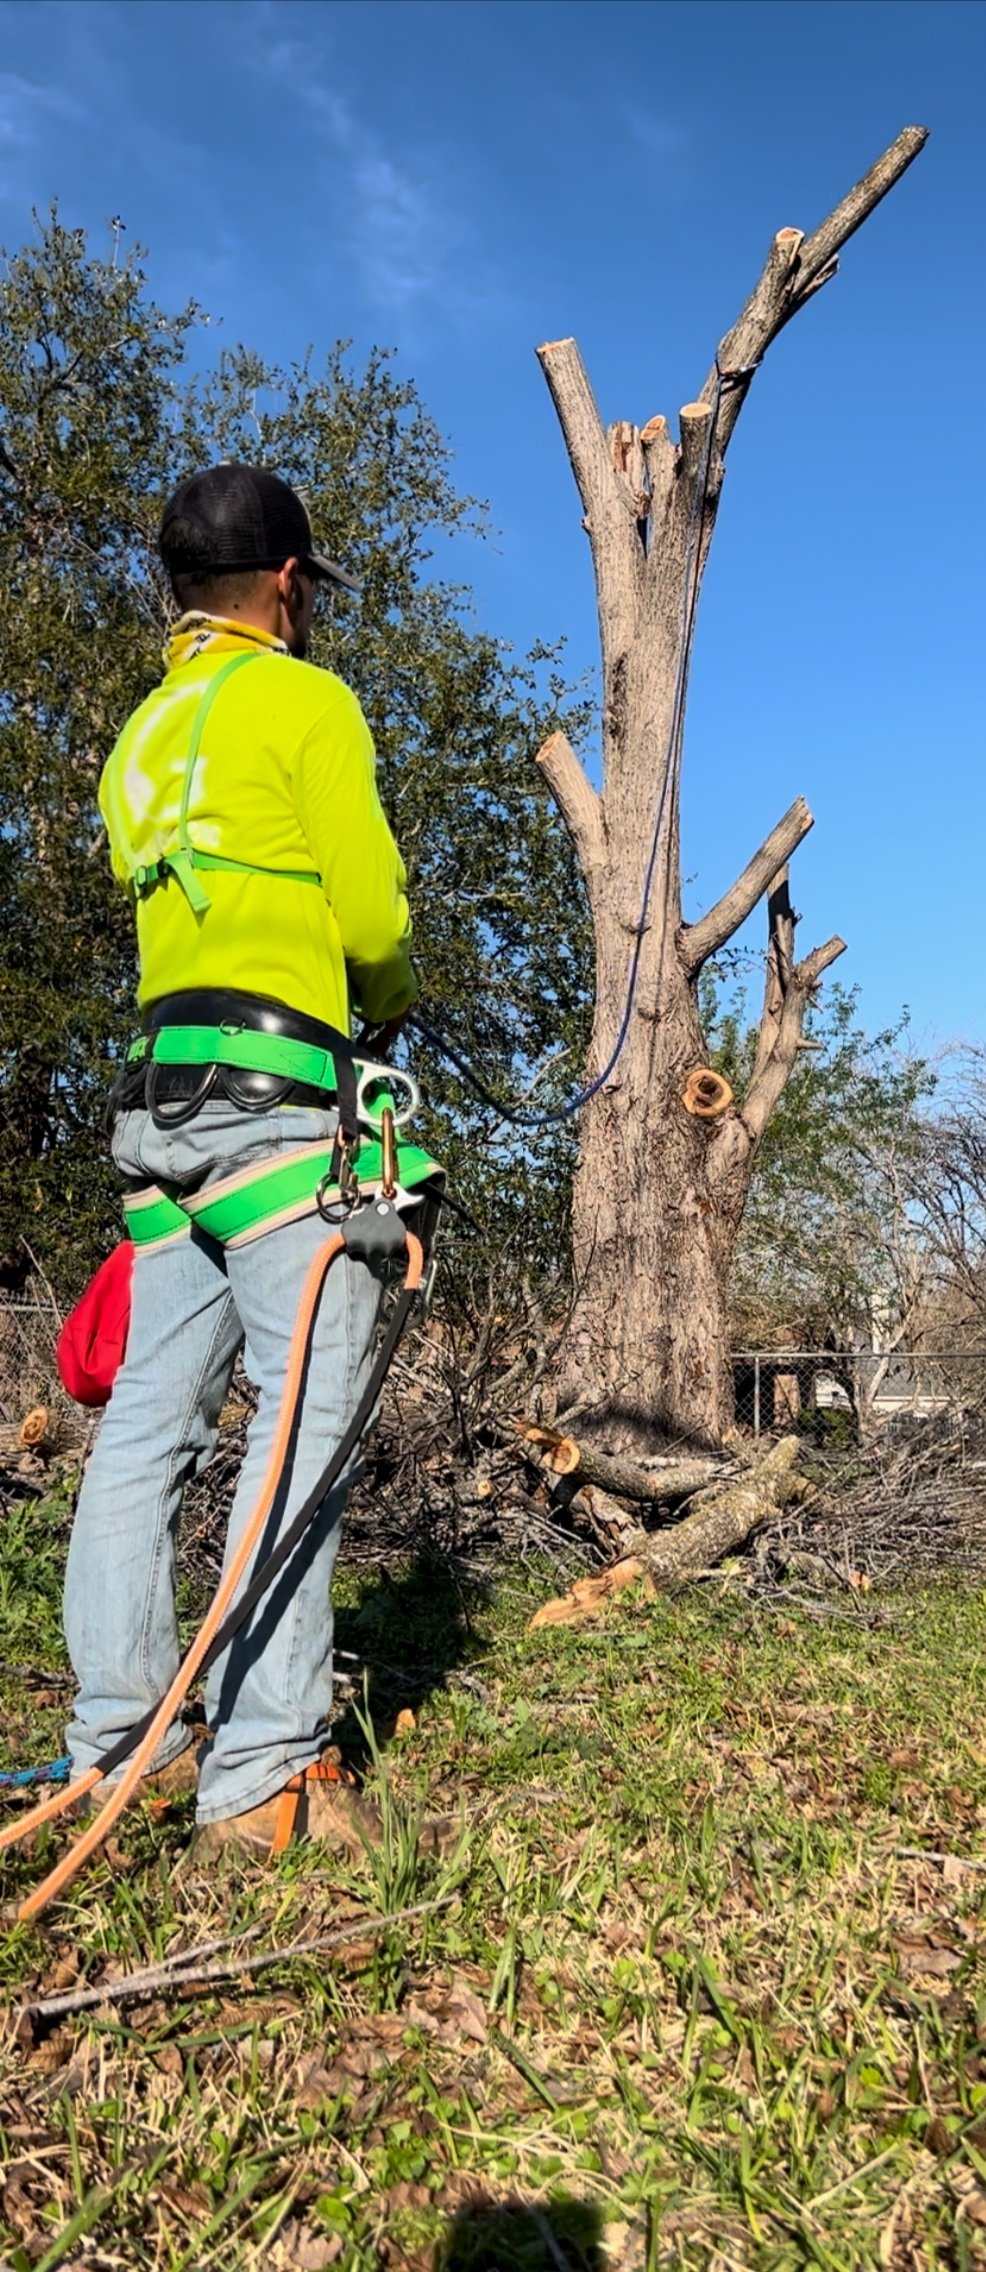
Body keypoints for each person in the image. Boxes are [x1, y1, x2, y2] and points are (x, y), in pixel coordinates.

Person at [63, 463, 418, 1862]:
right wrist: (390, 985)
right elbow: (372, 913)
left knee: (142, 1436)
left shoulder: (140, 737)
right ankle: (260, 1774)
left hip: (161, 1120)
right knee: (296, 1438)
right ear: (287, 584)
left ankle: (115, 1745)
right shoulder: (305, 699)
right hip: (281, 1106)